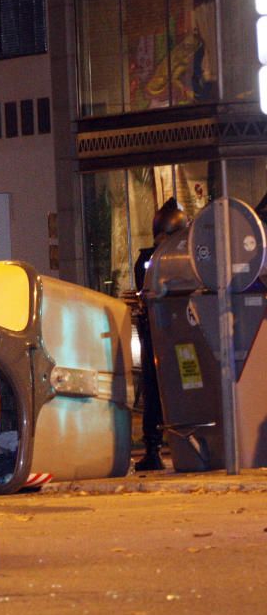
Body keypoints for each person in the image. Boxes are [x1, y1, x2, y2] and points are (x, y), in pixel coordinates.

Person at [133, 198, 188, 472]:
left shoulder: (177, 258)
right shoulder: (150, 260)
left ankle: (171, 444)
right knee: (155, 390)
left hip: (173, 331)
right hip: (159, 331)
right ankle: (153, 446)